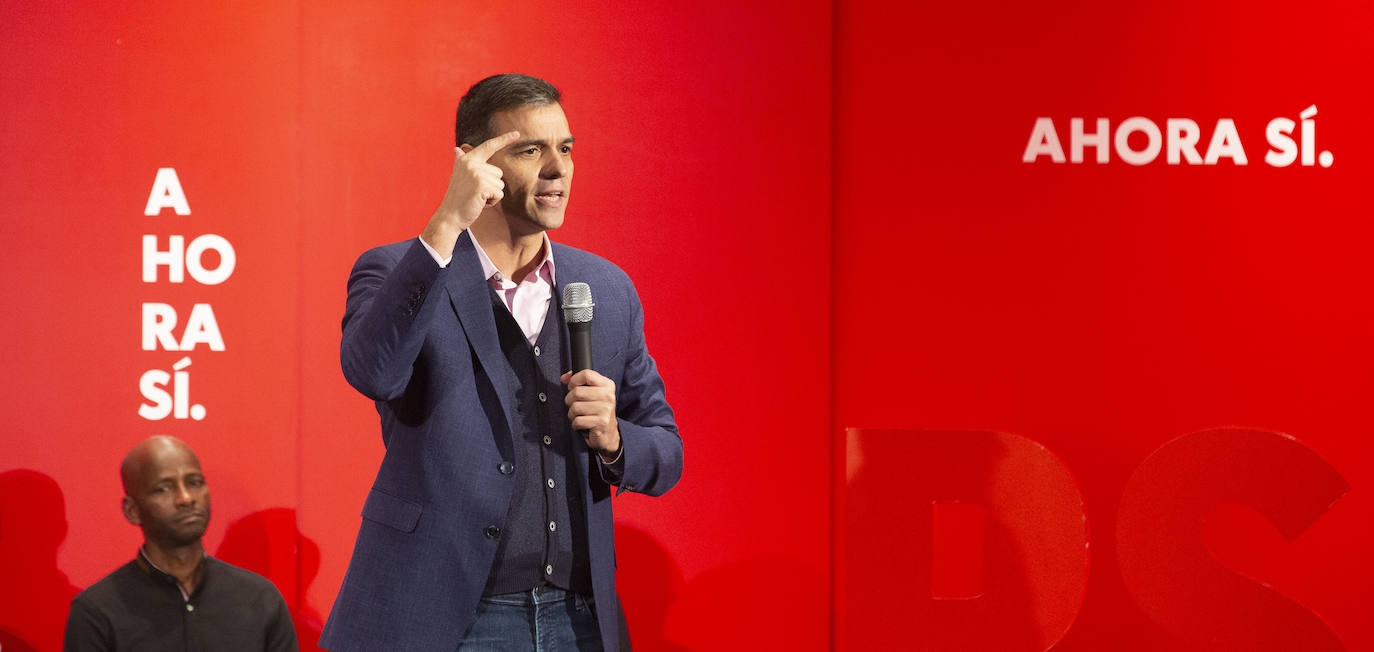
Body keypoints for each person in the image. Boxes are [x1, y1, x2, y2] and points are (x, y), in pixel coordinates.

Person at [320, 73, 683, 652]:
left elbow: (666, 452)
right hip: (443, 617)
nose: (558, 169)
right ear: (473, 162)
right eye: (531, 149)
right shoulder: (399, 269)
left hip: (576, 618)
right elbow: (373, 372)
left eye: (565, 148)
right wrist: (444, 226)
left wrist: (615, 438)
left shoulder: (607, 289)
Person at [63, 435, 297, 651]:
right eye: (163, 488)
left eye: (194, 482)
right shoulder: (97, 611)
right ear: (132, 510)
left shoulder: (261, 599)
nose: (186, 498)